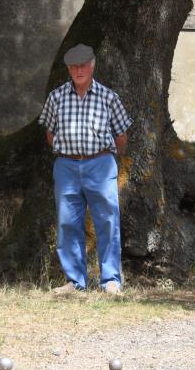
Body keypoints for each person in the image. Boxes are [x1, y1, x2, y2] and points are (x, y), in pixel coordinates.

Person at [38, 44, 133, 294]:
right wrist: (68, 150)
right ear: (68, 69)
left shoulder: (108, 97)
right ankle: (74, 282)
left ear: (92, 66)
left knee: (107, 221)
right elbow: (49, 132)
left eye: (83, 66)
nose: (79, 70)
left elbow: (121, 136)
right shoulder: (56, 97)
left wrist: (105, 158)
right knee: (68, 223)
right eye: (74, 66)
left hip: (100, 163)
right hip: (66, 165)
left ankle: (111, 280)